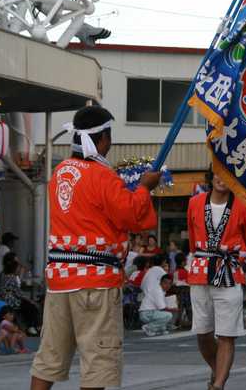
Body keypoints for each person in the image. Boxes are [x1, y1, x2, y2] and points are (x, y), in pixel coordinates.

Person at [30, 106, 161, 390]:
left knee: (50, 355)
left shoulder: (60, 171)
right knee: (98, 361)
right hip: (95, 282)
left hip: (60, 280)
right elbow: (131, 215)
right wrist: (144, 188)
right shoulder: (102, 176)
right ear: (103, 139)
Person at [187, 168, 246, 390]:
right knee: (203, 334)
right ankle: (217, 368)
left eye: (227, 176)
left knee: (226, 335)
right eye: (218, 174)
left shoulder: (242, 206)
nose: (222, 179)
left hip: (230, 273)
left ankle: (219, 385)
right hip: (200, 272)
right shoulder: (194, 203)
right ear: (210, 177)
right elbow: (193, 240)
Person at [0, 252, 41, 335]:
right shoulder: (11, 277)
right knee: (31, 307)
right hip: (12, 300)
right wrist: (30, 300)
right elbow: (19, 293)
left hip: (8, 298)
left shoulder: (4, 275)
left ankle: (31, 327)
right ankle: (31, 327)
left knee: (29, 305)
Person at [139, 254, 175, 336]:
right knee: (168, 315)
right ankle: (150, 327)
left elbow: (142, 285)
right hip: (149, 310)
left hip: (146, 298)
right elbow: (167, 279)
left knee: (162, 312)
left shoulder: (150, 270)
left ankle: (160, 328)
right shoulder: (159, 270)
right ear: (163, 262)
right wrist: (172, 309)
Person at [0, 232, 18, 299]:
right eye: (13, 241)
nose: (14, 243)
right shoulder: (5, 249)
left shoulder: (1, 248)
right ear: (9, 241)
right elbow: (12, 261)